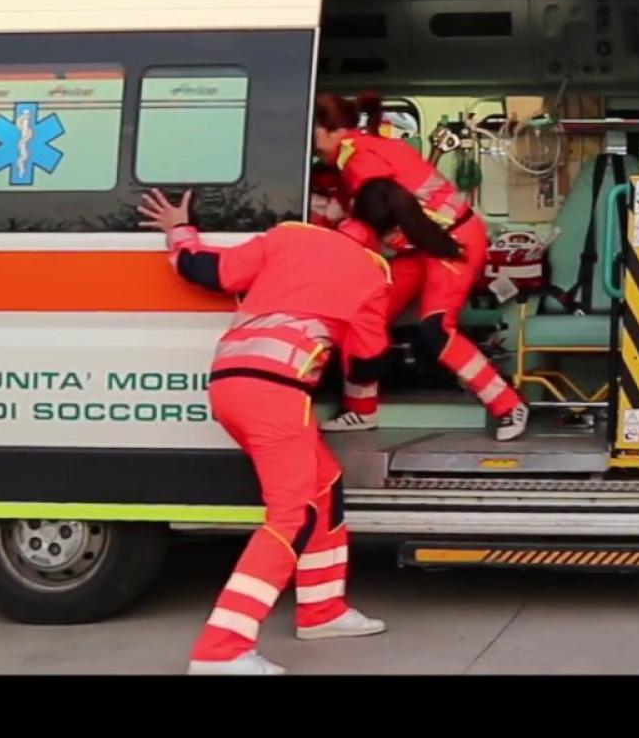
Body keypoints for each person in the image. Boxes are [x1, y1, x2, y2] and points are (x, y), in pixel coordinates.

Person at [136, 183, 454, 675]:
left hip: (231, 380)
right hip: (276, 392)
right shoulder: (372, 272)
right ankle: (221, 650)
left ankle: (322, 610)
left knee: (324, 483)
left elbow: (210, 270)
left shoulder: (290, 236)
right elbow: (366, 363)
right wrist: (363, 388)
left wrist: (180, 231)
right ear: (394, 235)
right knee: (291, 514)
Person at [310, 92, 530, 442]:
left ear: (332, 130)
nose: (313, 146)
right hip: (422, 244)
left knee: (436, 331)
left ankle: (508, 405)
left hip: (452, 241)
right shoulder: (360, 153)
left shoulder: (361, 161)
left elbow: (381, 213)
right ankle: (361, 410)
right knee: (362, 313)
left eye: (315, 134)